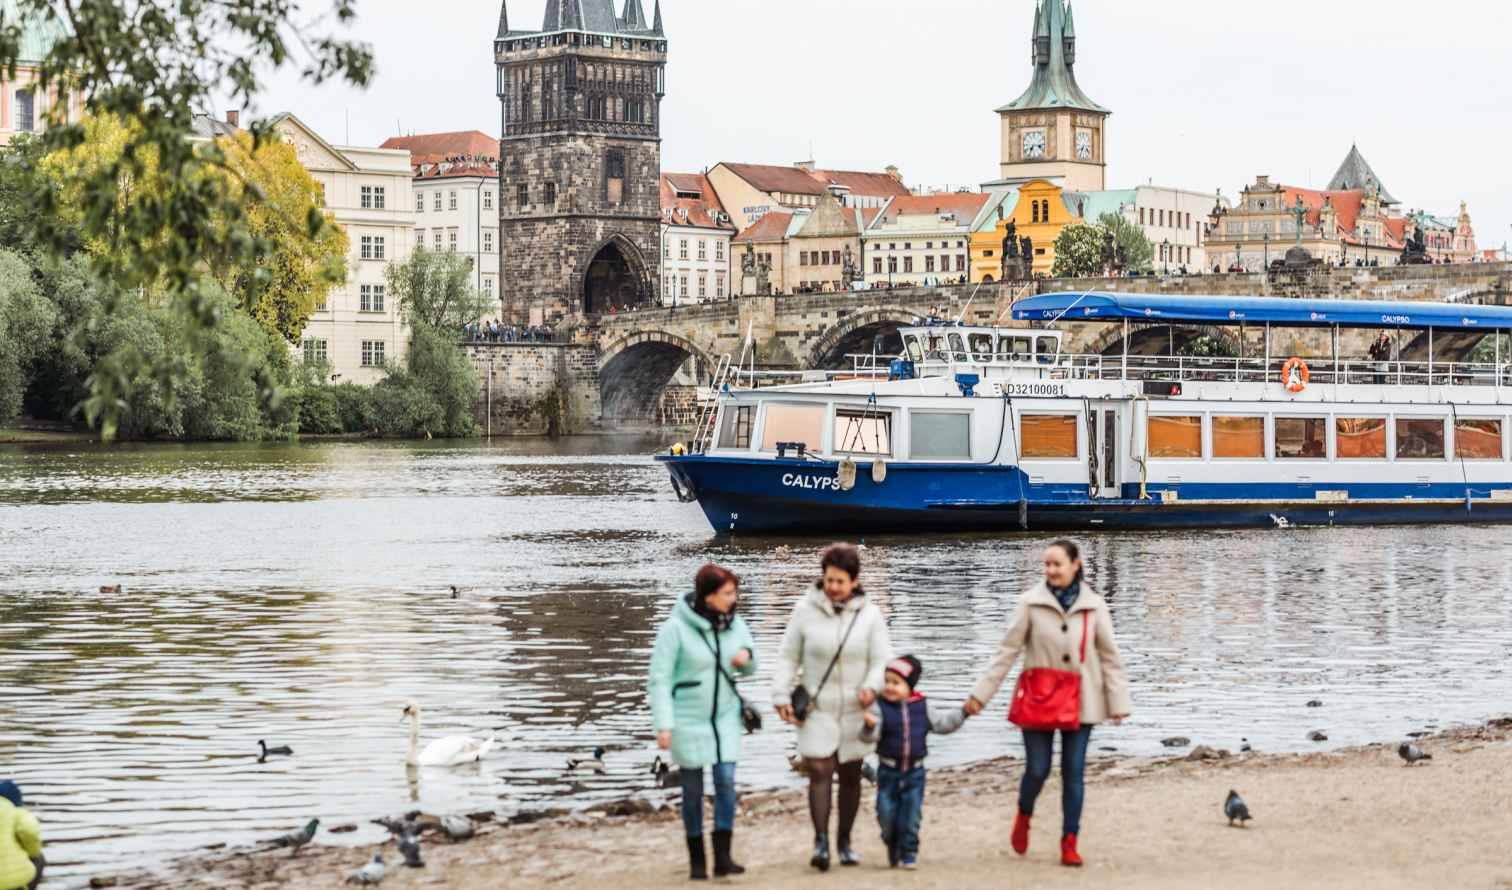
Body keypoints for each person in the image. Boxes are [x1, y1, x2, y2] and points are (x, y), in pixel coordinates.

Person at [963, 540, 1131, 868]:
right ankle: (1024, 814)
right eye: (1047, 565)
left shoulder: (1095, 606)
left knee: (1074, 772)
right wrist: (980, 695)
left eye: (1057, 564)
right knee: (1037, 769)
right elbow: (1006, 653)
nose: (1051, 570)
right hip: (1039, 697)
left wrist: (1118, 702)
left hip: (1083, 699)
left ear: (1075, 565)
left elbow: (1110, 657)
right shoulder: (1029, 604)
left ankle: (1070, 841)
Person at [772, 543, 893, 871]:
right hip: (818, 706)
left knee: (852, 775)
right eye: (829, 580)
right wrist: (780, 695)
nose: (834, 587)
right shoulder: (803, 611)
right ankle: (821, 842)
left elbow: (881, 659)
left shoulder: (870, 615)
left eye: (840, 581)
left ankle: (845, 841)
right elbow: (788, 656)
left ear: (854, 581)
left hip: (856, 706)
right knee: (820, 772)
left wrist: (872, 686)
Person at [648, 564, 759, 881]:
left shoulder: (735, 624)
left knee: (725, 781)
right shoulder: (675, 629)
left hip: (724, 715)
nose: (733, 599)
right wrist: (664, 724)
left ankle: (723, 856)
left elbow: (753, 665)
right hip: (687, 717)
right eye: (727, 593)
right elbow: (659, 679)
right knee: (692, 788)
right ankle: (697, 858)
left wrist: (746, 660)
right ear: (708, 596)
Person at [859, 655, 967, 869]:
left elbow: (943, 725)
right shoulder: (879, 708)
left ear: (910, 686)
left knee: (912, 815)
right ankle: (891, 840)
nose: (889, 687)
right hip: (888, 771)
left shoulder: (922, 707)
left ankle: (909, 853)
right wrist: (869, 727)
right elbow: (868, 738)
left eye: (895, 683)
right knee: (886, 812)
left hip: (915, 773)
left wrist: (963, 713)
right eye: (887, 681)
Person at [0, 780, 43, 890]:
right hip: (11, 884)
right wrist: (32, 854)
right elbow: (30, 831)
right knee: (39, 858)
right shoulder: (15, 811)